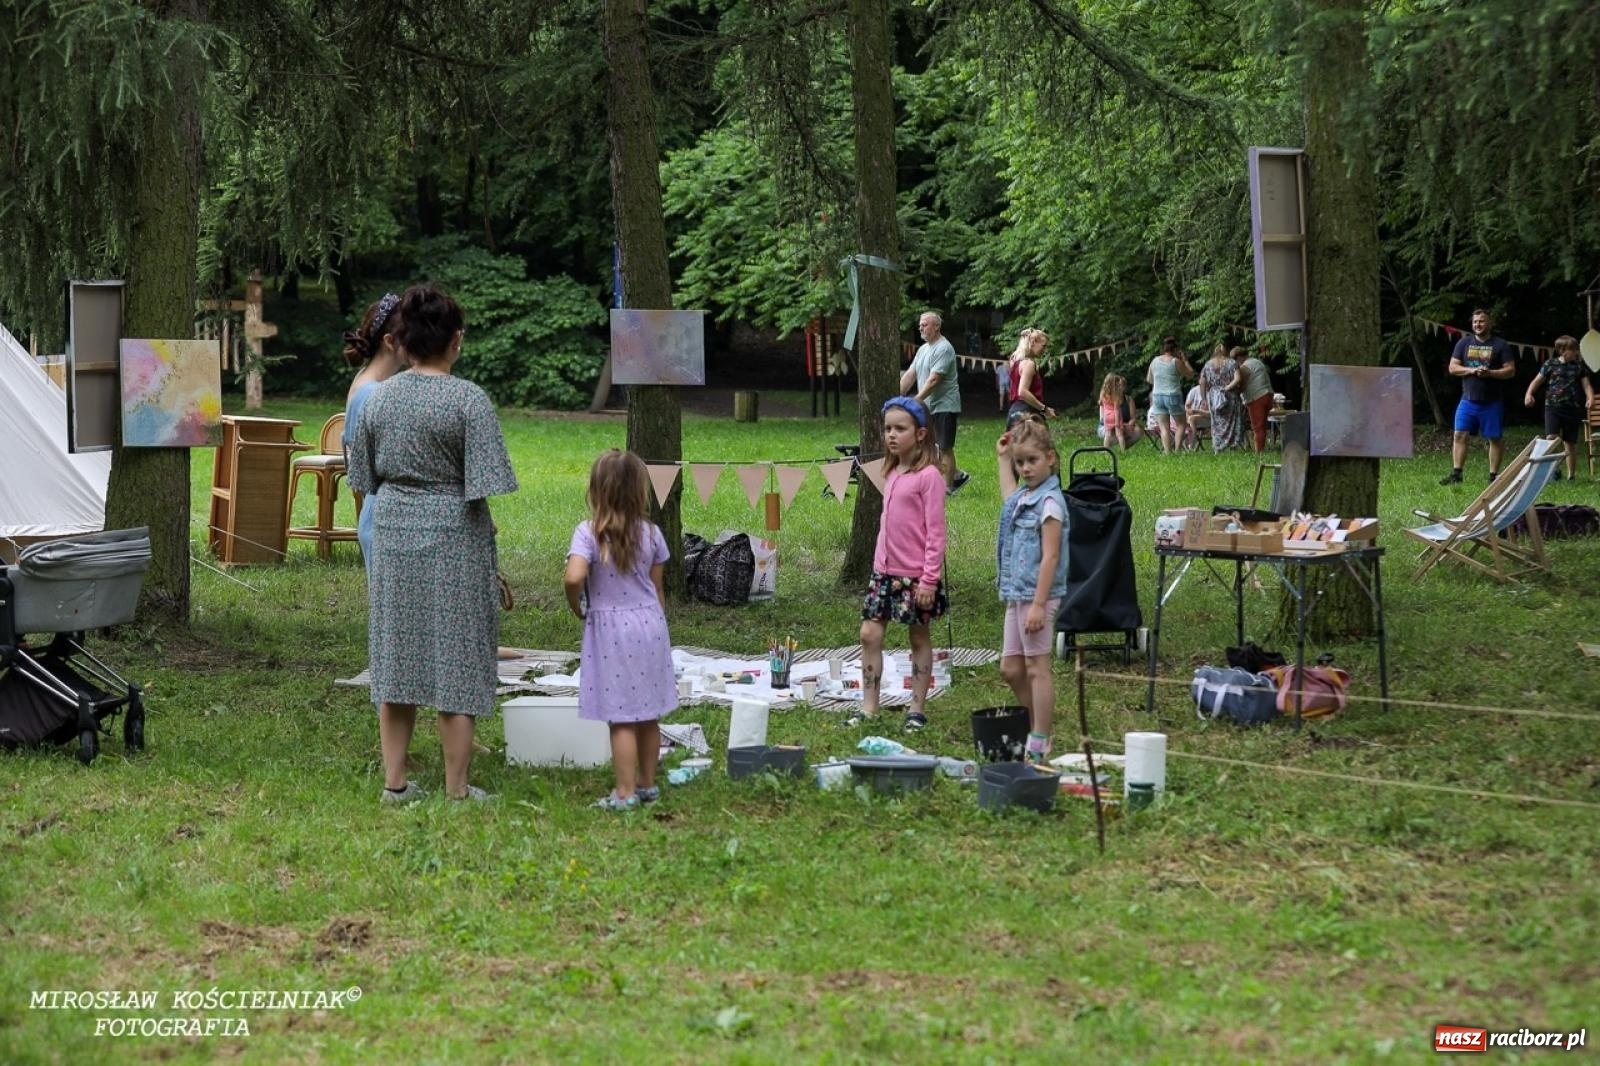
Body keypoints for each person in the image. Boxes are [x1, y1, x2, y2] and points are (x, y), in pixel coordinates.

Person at [346, 284, 519, 804]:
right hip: (454, 536)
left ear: (401, 341)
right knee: (457, 661)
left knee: (396, 660)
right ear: (456, 341)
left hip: (394, 533)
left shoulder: (378, 397)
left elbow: (362, 476)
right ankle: (457, 789)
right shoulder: (469, 399)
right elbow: (487, 480)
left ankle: (395, 785)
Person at [564, 450, 675, 810]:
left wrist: (574, 601)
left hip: (611, 629)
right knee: (647, 711)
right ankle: (646, 784)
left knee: (621, 716)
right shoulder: (653, 533)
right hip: (650, 623)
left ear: (596, 490)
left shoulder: (588, 533)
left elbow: (574, 576)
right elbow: (657, 587)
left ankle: (624, 793)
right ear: (639, 491)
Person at [849, 396, 948, 733]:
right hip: (884, 573)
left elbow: (936, 532)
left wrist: (929, 579)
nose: (891, 435)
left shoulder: (930, 476)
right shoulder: (890, 471)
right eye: (888, 428)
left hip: (917, 577)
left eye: (900, 429)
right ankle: (869, 707)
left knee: (918, 638)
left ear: (920, 434)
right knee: (868, 634)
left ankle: (916, 709)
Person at [994, 418, 1068, 765]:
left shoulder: (1050, 502)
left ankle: (1040, 736)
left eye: (1031, 461)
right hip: (1017, 593)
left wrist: (1040, 604)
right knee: (1010, 667)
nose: (1025, 468)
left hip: (1038, 596)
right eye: (1020, 462)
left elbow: (1051, 556)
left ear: (1050, 458)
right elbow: (1008, 501)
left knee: (1037, 667)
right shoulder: (1026, 496)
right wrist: (1002, 458)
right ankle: (1034, 720)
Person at [341, 293, 408, 564]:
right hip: (385, 522)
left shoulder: (371, 382)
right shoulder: (372, 392)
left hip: (383, 519)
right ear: (390, 342)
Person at [1442, 308, 1516, 484]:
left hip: (1492, 401)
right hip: (1467, 400)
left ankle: (1493, 477)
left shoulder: (1500, 345)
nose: (1478, 324)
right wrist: (1472, 370)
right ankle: (1457, 474)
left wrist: (1490, 373)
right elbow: (1453, 368)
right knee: (1459, 434)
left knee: (1494, 438)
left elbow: (1511, 370)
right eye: (1475, 322)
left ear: (1490, 323)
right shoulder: (1464, 343)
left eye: (1481, 321)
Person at [902, 311, 967, 493]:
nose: (920, 328)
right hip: (929, 405)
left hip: (944, 405)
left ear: (936, 326)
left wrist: (916, 400)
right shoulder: (923, 349)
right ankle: (957, 474)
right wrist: (897, 397)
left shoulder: (944, 348)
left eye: (925, 324)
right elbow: (910, 375)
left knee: (944, 446)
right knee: (928, 446)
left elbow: (934, 379)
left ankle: (948, 488)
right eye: (920, 325)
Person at [1524, 335, 1595, 481]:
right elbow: (1536, 381)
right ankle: (1554, 469)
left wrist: (1590, 398)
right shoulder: (1550, 364)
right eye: (1573, 350)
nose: (1576, 353)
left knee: (1570, 442)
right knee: (1551, 437)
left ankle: (1571, 475)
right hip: (1552, 407)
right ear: (1562, 351)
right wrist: (1529, 394)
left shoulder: (1579, 367)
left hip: (1572, 408)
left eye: (1576, 350)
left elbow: (1586, 385)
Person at [1145, 337, 1194, 452]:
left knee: (1163, 427)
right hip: (1172, 395)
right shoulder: (1175, 361)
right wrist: (1185, 361)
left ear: (1163, 348)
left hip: (1157, 395)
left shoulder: (1155, 360)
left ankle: (1167, 452)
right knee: (1181, 424)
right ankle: (1177, 450)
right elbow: (1190, 374)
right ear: (1176, 349)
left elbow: (1149, 379)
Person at [1005, 327, 1056, 426]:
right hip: (1028, 413)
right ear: (1033, 343)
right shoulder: (1029, 364)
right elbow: (1022, 392)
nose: (1044, 350)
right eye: (1043, 346)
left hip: (1014, 412)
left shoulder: (1014, 362)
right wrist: (1044, 409)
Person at [1201, 343, 1244, 453]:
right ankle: (1233, 447)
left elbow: (1202, 382)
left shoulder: (1208, 364)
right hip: (1230, 396)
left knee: (1217, 422)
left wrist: (1204, 399)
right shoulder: (1232, 363)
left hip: (1214, 397)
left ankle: (1218, 447)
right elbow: (1238, 378)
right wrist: (1228, 387)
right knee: (1232, 422)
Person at [1237, 348, 1275, 453]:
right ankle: (1262, 448)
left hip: (1257, 397)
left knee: (1257, 427)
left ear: (1239, 358)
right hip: (1268, 395)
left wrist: (1236, 391)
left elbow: (1241, 383)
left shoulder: (1245, 367)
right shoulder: (1256, 361)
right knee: (1262, 426)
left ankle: (1259, 452)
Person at [1096, 373, 1143, 451]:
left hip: (1108, 419)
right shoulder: (1116, 397)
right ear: (1115, 385)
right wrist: (1118, 423)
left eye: (1122, 385)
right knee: (1119, 434)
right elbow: (1116, 410)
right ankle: (1122, 450)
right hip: (1114, 418)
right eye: (1119, 384)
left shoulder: (1103, 394)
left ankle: (1106, 450)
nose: (1120, 387)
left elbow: (1133, 418)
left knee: (1109, 434)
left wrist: (1128, 424)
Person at [1183, 382, 1210, 451]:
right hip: (1192, 415)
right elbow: (1186, 406)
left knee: (1192, 419)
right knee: (1179, 417)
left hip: (1208, 418)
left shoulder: (1212, 392)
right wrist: (1188, 409)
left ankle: (1192, 444)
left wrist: (1196, 411)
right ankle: (1178, 444)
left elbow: (1211, 414)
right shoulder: (1194, 390)